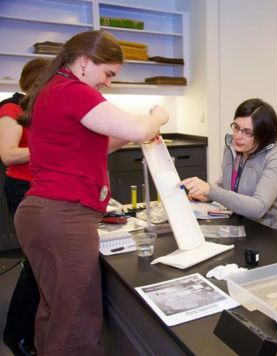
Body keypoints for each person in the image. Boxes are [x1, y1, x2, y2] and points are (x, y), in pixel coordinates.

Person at [14, 30, 169, 356]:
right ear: (84, 63)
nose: (109, 83)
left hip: (43, 214)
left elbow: (97, 147)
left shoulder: (53, 88)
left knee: (55, 312)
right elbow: (140, 127)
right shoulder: (72, 91)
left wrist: (135, 134)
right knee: (76, 325)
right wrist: (158, 116)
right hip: (63, 216)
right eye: (108, 73)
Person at [0, 58, 51, 356]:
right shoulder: (11, 108)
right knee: (35, 264)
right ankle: (16, 334)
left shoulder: (40, 109)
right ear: (34, 83)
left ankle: (31, 328)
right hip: (23, 190)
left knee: (41, 264)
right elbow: (7, 154)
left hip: (43, 189)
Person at [182, 98, 277, 233]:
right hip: (239, 225)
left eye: (247, 132)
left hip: (269, 233)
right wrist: (206, 195)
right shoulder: (231, 148)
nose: (238, 136)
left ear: (264, 135)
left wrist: (211, 190)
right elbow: (225, 186)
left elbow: (259, 207)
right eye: (236, 127)